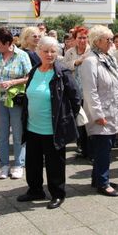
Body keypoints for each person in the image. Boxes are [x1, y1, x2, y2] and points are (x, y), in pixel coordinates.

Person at [17, 37, 81, 208]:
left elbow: (76, 98)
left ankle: (58, 193)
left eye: (53, 51)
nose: (49, 54)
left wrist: (65, 118)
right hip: (32, 127)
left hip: (53, 128)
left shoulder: (63, 73)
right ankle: (35, 190)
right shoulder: (34, 71)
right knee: (33, 163)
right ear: (38, 52)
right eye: (45, 51)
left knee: (55, 164)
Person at [81, 25, 118, 196]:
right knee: (103, 148)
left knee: (106, 146)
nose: (111, 42)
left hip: (112, 109)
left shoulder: (107, 57)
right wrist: (97, 114)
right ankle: (103, 182)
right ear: (97, 41)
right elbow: (89, 91)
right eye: (107, 39)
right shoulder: (90, 61)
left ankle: (99, 178)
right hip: (101, 112)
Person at [0, 27, 32, 180]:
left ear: (8, 43)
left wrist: (13, 82)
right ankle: (4, 164)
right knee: (1, 134)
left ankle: (19, 164)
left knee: (17, 133)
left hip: (16, 100)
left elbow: (30, 76)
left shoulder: (22, 55)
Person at [63, 26, 90, 158]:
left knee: (89, 122)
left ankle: (89, 149)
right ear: (74, 39)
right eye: (79, 38)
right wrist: (76, 62)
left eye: (84, 38)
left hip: (89, 91)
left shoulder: (92, 51)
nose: (82, 40)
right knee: (79, 120)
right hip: (75, 91)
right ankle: (82, 147)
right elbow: (64, 66)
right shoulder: (70, 52)